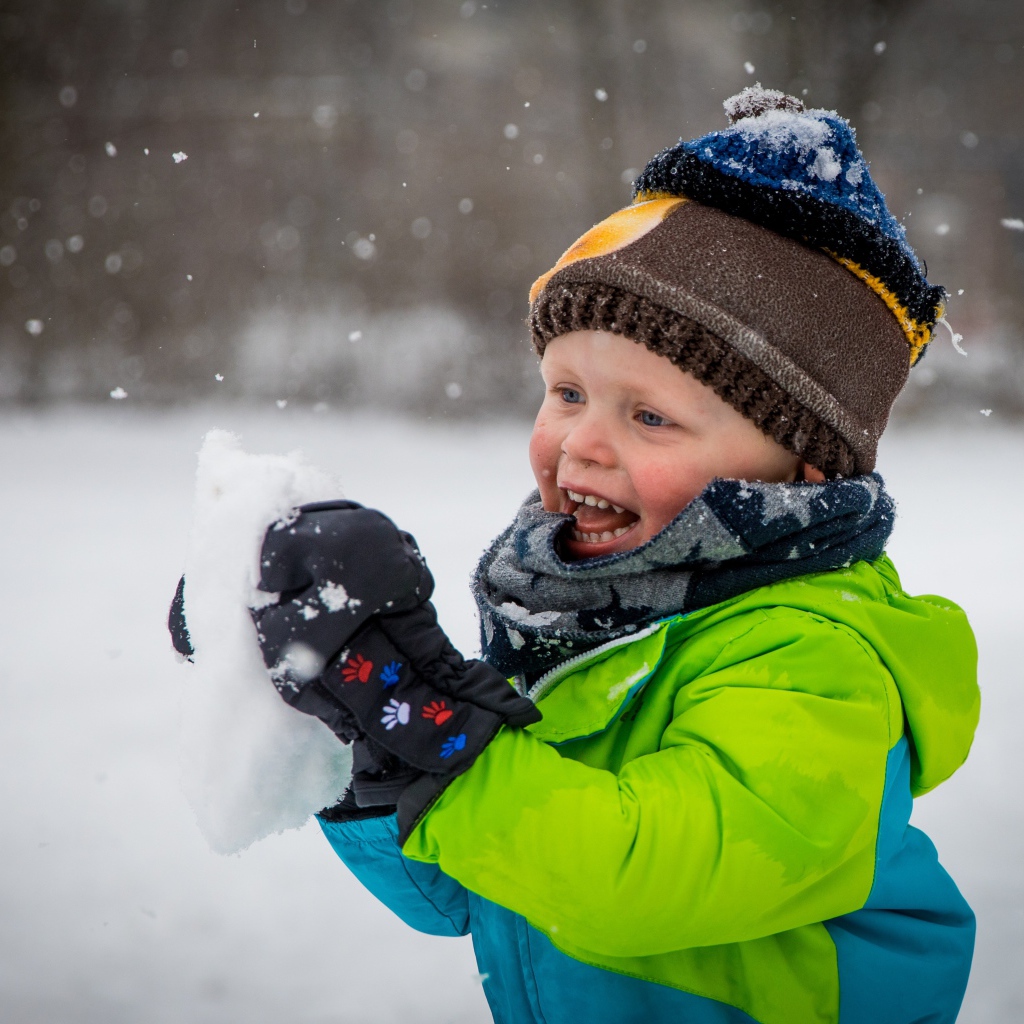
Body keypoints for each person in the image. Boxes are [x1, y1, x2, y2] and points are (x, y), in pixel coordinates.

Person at [174, 86, 980, 1024]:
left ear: (795, 470)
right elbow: (474, 895)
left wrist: (442, 729)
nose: (582, 444)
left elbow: (634, 876)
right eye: (565, 393)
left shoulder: (814, 661)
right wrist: (361, 718)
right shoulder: (593, 617)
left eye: (648, 415)